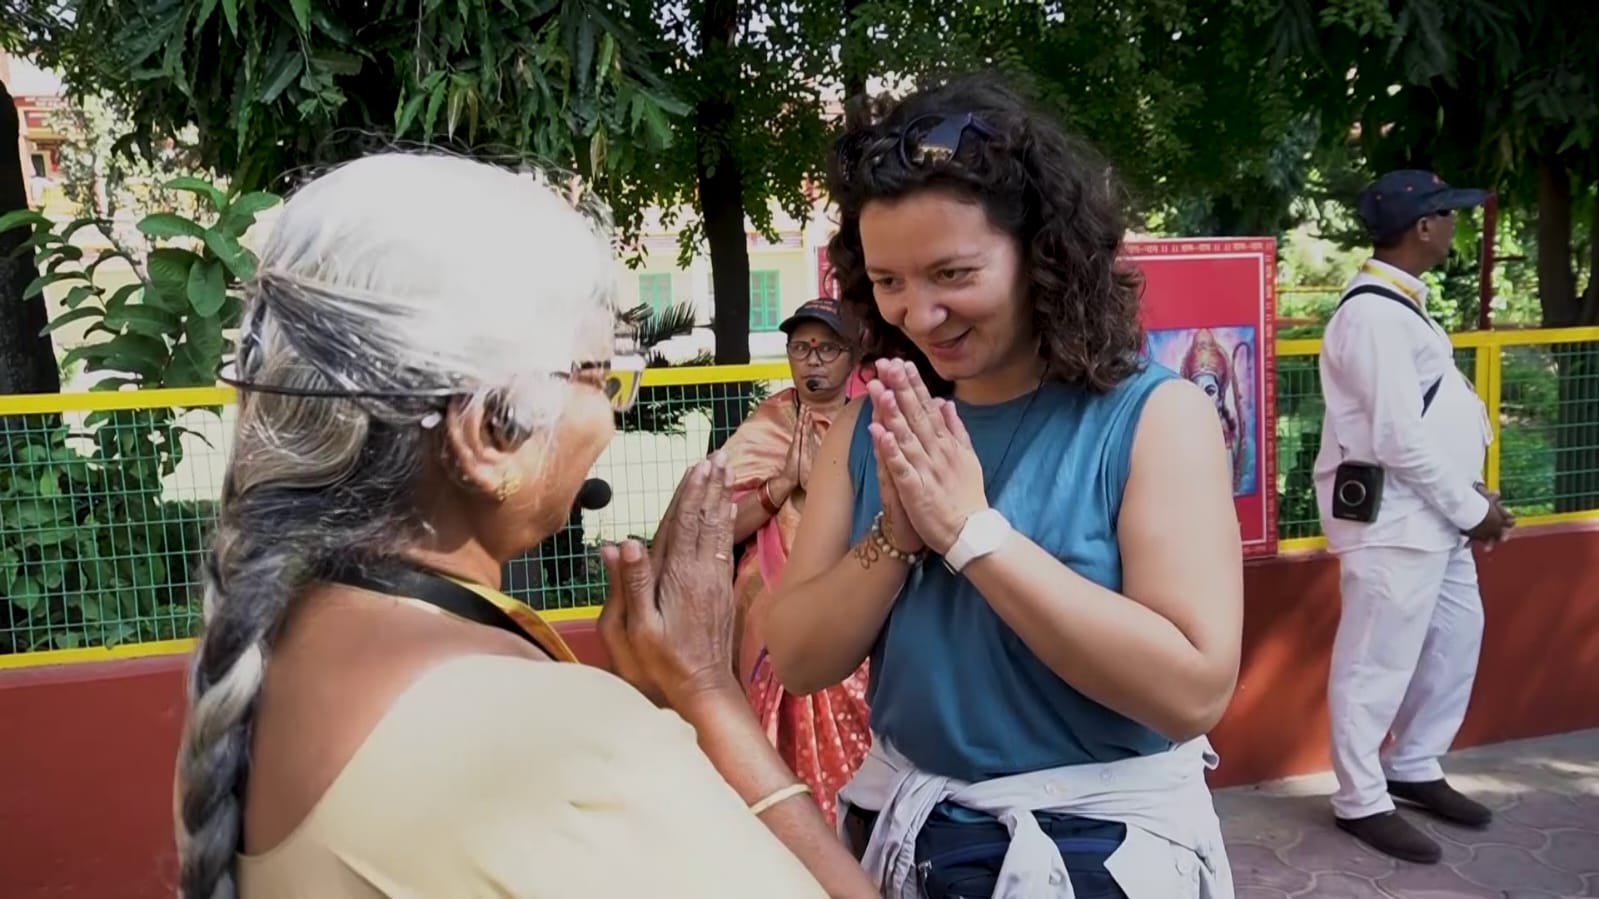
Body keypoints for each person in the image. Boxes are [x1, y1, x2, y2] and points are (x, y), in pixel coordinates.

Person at [171, 153, 877, 899]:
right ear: (488, 433)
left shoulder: (281, 643)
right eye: (601, 378)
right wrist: (706, 692)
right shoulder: (555, 742)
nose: (609, 416)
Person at [761, 75, 1243, 898]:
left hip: (1089, 849)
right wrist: (896, 536)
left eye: (952, 273)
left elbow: (1192, 689)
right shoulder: (871, 426)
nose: (919, 314)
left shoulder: (1153, 418)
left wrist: (972, 534)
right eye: (888, 281)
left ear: (1040, 254)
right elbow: (800, 657)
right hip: (908, 833)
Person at [1313, 169, 1514, 863]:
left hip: (1434, 513)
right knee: (1377, 659)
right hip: (1395, 519)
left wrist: (1468, 497)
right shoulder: (1371, 315)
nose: (1456, 225)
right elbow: (1397, 437)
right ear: (1423, 227)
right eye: (1449, 214)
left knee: (1454, 639)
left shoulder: (1400, 305)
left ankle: (1414, 763)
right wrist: (1472, 508)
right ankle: (1360, 798)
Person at [723, 296, 871, 825]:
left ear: (854, 356)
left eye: (828, 348)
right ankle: (787, 834)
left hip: (851, 603)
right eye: (801, 347)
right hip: (767, 610)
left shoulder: (873, 422)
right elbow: (718, 525)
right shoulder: (769, 423)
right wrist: (783, 484)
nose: (812, 360)